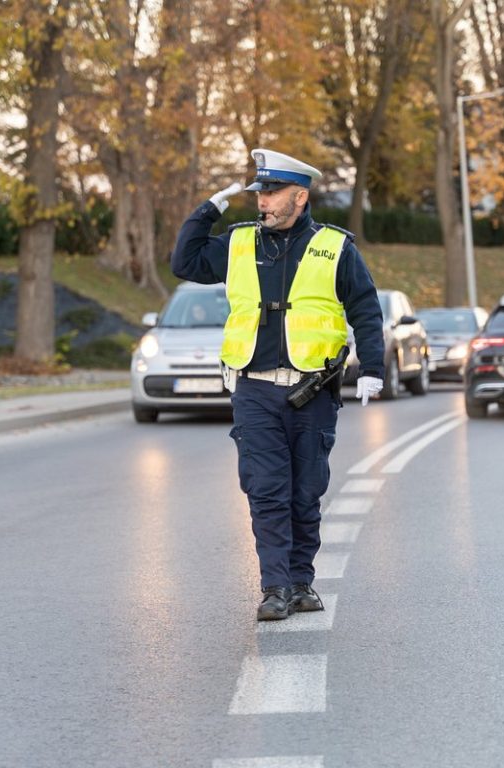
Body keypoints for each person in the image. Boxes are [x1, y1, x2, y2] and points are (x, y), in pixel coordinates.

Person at [171, 148, 386, 621]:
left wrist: (373, 368)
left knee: (305, 491)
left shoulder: (335, 248)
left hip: (312, 392)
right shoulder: (240, 242)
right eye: (260, 193)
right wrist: (209, 209)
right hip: (254, 389)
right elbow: (184, 263)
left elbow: (366, 311)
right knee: (266, 489)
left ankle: (301, 581)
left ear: (300, 196)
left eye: (272, 193)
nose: (263, 202)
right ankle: (275, 588)